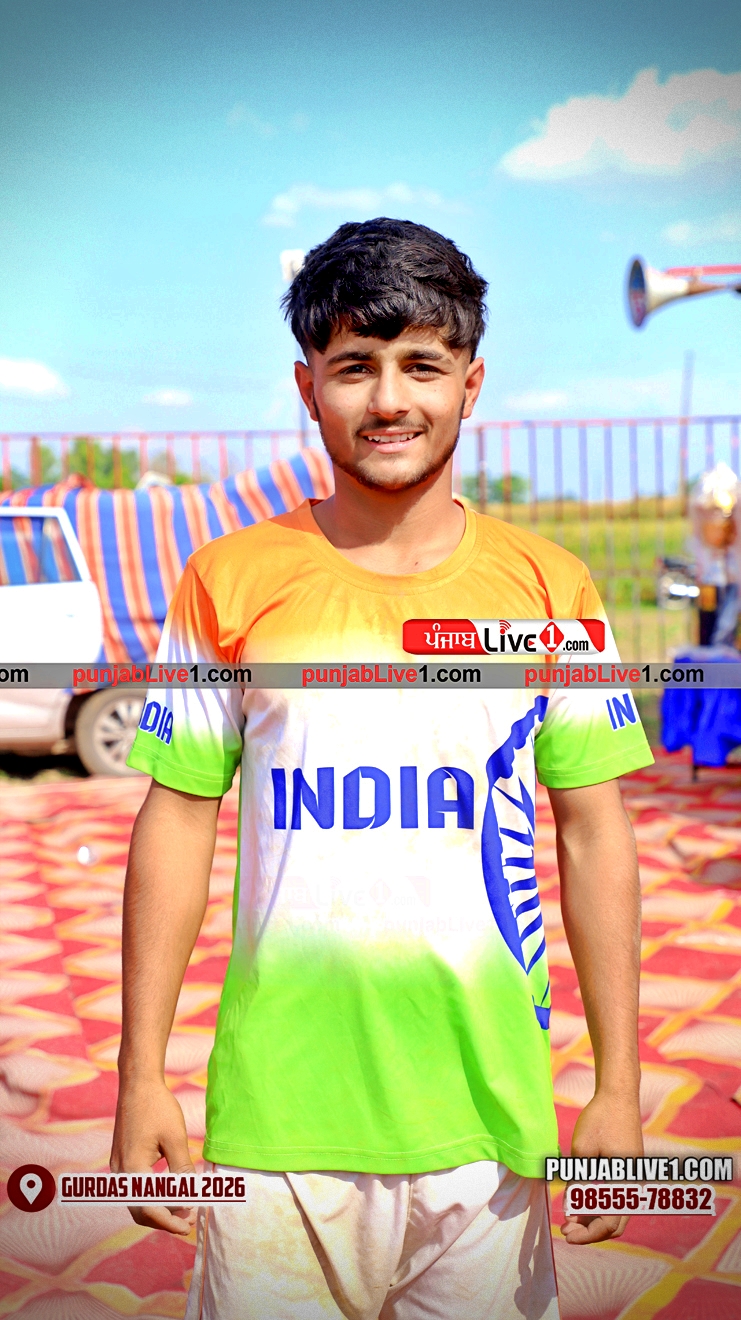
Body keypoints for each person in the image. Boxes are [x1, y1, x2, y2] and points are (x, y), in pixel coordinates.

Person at [112, 218, 652, 1320]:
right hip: (276, 1135)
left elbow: (595, 832)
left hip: (488, 1131)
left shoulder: (552, 590)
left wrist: (619, 1089)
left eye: (422, 364)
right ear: (307, 388)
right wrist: (139, 1076)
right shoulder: (227, 581)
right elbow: (176, 818)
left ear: (472, 383)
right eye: (355, 365)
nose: (389, 398)